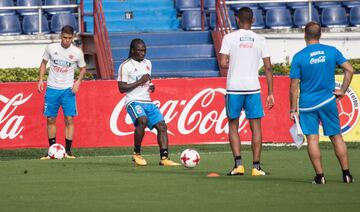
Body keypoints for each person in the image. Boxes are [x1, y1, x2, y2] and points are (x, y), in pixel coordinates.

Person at [289, 21, 354, 184]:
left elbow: (294, 87)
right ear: (320, 35)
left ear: (305, 35)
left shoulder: (299, 57)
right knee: (336, 137)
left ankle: (320, 176)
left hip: (307, 104)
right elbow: (350, 70)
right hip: (328, 101)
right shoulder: (331, 51)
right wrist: (343, 91)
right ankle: (346, 175)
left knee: (312, 139)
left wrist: (293, 109)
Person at [219, 7, 275, 176]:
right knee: (256, 127)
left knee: (233, 126)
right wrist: (271, 93)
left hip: (234, 88)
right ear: (253, 20)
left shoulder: (229, 38)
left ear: (237, 19)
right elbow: (268, 67)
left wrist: (236, 63)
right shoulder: (260, 39)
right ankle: (256, 167)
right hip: (253, 88)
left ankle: (238, 165)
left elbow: (222, 63)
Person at [117, 38, 180, 166]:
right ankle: (137, 154)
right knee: (142, 120)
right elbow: (121, 88)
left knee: (162, 126)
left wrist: (151, 86)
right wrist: (140, 81)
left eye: (144, 50)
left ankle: (164, 158)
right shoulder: (125, 66)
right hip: (133, 101)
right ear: (132, 50)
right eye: (140, 50)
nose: (143, 53)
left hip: (147, 101)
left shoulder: (148, 63)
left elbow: (147, 82)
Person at [38, 25, 86, 160]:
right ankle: (51, 150)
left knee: (69, 119)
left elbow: (83, 68)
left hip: (68, 90)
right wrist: (41, 80)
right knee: (51, 119)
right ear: (61, 36)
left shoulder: (77, 52)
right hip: (52, 89)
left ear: (73, 38)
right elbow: (43, 63)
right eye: (65, 37)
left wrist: (78, 82)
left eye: (70, 38)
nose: (67, 41)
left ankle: (69, 151)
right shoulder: (51, 48)